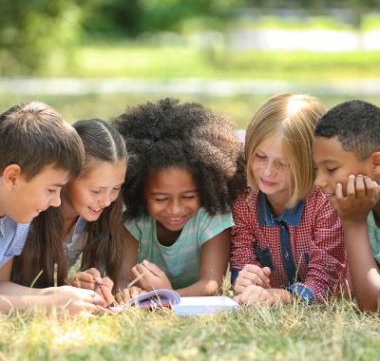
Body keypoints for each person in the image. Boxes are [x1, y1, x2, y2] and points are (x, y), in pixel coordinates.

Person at [112, 98, 246, 298]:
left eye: (189, 196)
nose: (175, 209)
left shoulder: (212, 217)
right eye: (160, 198)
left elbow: (211, 285)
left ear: (205, 188)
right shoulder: (135, 218)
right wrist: (127, 293)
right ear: (140, 191)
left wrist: (167, 294)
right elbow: (122, 280)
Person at [231, 93, 347, 305]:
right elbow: (242, 257)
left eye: (282, 163)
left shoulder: (324, 201)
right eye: (260, 156)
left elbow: (326, 280)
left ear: (309, 162)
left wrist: (282, 296)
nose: (267, 171)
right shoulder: (245, 198)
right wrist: (246, 280)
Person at [0, 101, 105, 314]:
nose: (57, 202)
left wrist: (58, 295)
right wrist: (43, 304)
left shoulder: (15, 221)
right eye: (51, 189)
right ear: (13, 177)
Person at [11, 118, 129, 306]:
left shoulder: (103, 214)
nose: (107, 200)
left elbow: (48, 283)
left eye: (116, 188)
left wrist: (77, 286)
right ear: (67, 177)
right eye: (96, 191)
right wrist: (55, 298)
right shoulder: (29, 210)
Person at [313, 100, 380, 312]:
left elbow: (373, 306)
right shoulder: (362, 206)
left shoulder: (355, 213)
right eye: (318, 169)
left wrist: (353, 223)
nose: (319, 182)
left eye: (331, 169)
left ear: (376, 163)